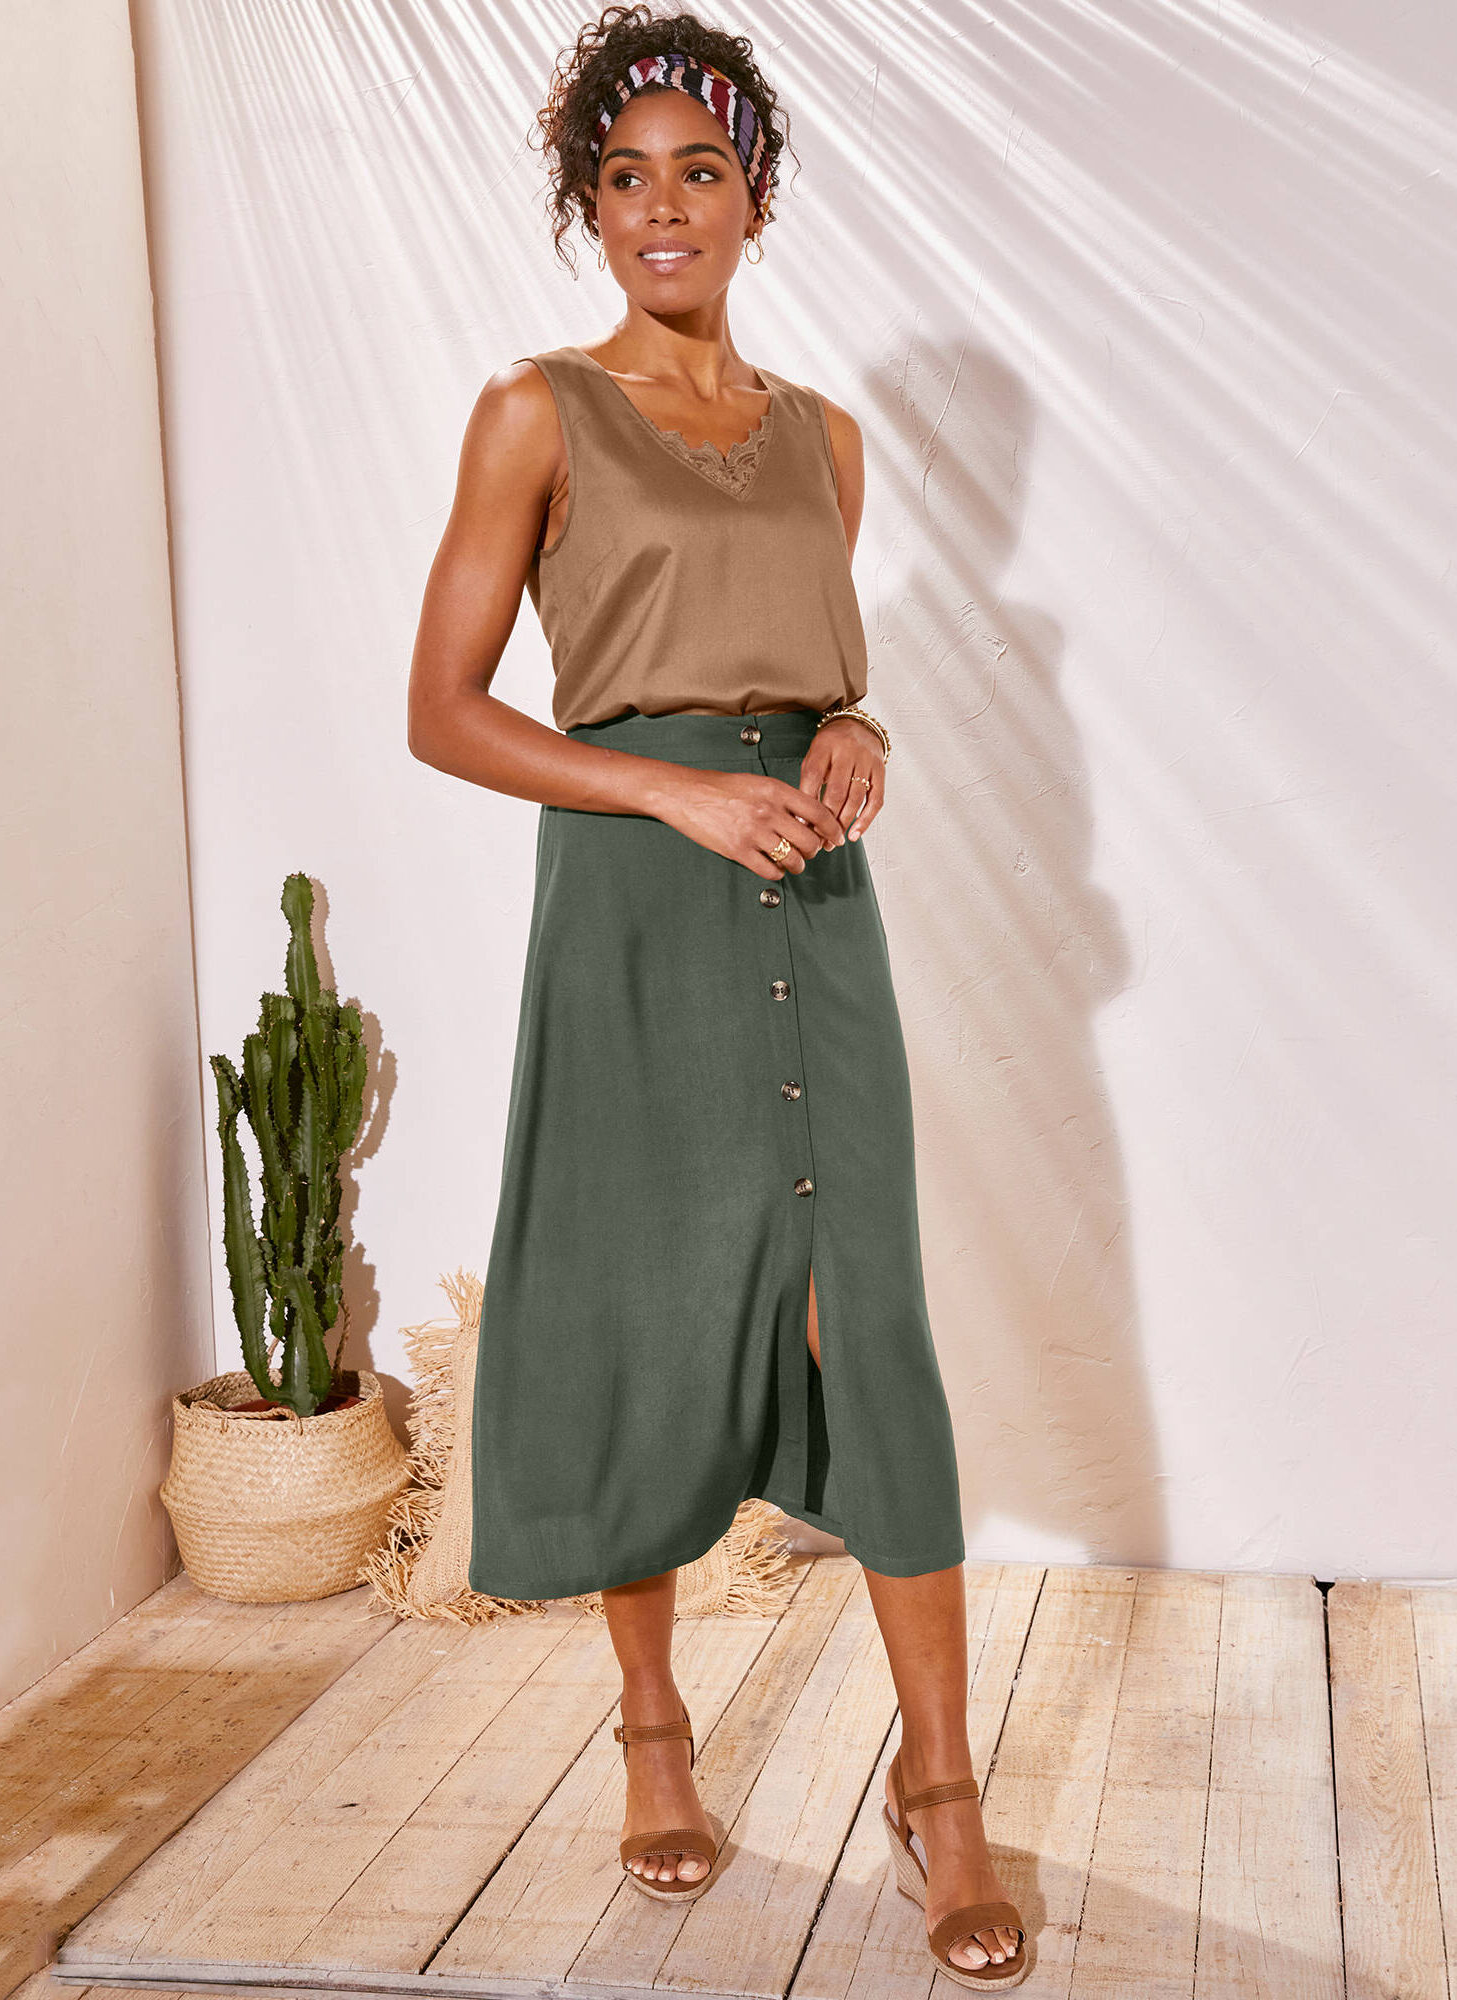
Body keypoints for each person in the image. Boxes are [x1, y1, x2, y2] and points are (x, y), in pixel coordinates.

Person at [406, 6, 1025, 1984]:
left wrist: (858, 734)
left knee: (870, 1320)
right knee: (644, 1295)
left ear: (756, 197)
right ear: (586, 209)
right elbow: (443, 710)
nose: (663, 205)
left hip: (814, 895)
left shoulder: (826, 441)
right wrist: (672, 788)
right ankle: (655, 1732)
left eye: (700, 170)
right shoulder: (533, 412)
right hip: (634, 900)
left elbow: (810, 669)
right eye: (625, 176)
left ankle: (943, 1790)